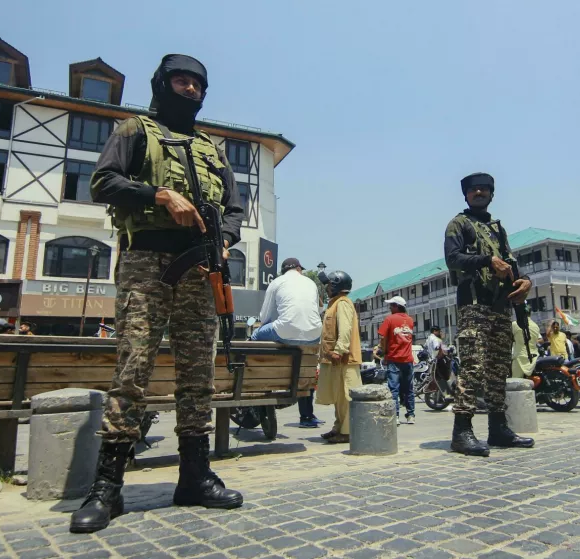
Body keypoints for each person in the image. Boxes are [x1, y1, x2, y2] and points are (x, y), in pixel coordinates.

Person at [71, 54, 245, 534]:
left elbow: (234, 207)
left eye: (196, 84)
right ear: (162, 85)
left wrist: (225, 239)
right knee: (133, 368)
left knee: (197, 375)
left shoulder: (213, 148)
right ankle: (107, 487)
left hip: (201, 269)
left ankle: (195, 476)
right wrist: (159, 196)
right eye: (180, 81)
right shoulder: (134, 131)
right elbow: (102, 182)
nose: (188, 89)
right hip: (147, 262)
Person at [444, 172, 534, 456]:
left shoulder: (498, 229)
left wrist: (525, 282)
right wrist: (486, 260)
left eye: (484, 189)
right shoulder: (459, 224)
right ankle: (462, 432)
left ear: (492, 194)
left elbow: (510, 264)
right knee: (472, 368)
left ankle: (498, 428)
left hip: (500, 306)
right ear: (466, 195)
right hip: (473, 305)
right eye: (474, 190)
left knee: (498, 368)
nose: (479, 193)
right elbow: (452, 258)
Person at [251, 257, 323, 428]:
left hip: (285, 331)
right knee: (305, 366)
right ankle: (307, 416)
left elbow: (264, 317)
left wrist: (273, 326)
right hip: (314, 334)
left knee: (255, 335)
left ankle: (251, 378)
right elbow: (317, 309)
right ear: (299, 268)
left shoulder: (277, 282)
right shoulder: (310, 283)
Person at [316, 271, 363, 444]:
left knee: (346, 397)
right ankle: (339, 427)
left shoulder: (343, 303)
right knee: (338, 397)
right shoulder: (334, 303)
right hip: (336, 359)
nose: (327, 288)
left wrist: (339, 350)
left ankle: (348, 432)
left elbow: (345, 329)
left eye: (329, 284)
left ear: (336, 285)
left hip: (345, 359)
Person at [377, 296, 416, 425]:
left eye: (391, 305)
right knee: (409, 388)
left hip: (394, 359)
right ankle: (411, 415)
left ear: (397, 306)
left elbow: (382, 337)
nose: (390, 307)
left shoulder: (390, 319)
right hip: (408, 360)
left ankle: (396, 416)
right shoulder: (410, 320)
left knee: (393, 389)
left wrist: (383, 351)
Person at [511, 314, 541, 379]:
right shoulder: (536, 326)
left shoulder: (515, 324)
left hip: (520, 358)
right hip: (534, 357)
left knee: (515, 381)